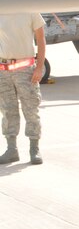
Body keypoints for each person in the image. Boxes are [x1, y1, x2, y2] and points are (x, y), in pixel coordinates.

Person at [0, 13, 46, 165]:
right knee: (7, 110)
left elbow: (41, 40)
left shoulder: (30, 10)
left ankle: (34, 149)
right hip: (3, 70)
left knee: (31, 109)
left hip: (25, 70)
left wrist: (39, 68)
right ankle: (11, 149)